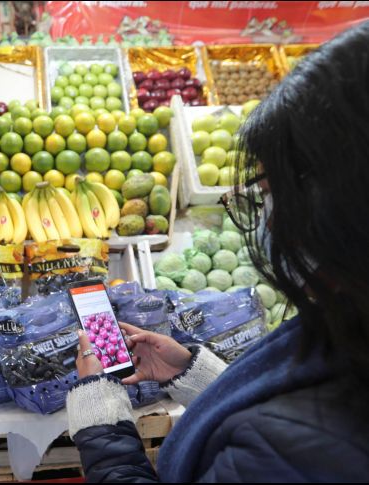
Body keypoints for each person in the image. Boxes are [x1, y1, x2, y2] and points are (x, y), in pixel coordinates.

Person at [67, 21, 369, 482]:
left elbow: (283, 441)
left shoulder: (297, 453)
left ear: (338, 208)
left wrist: (101, 412)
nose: (266, 219)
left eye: (269, 194)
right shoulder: (345, 322)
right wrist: (197, 375)